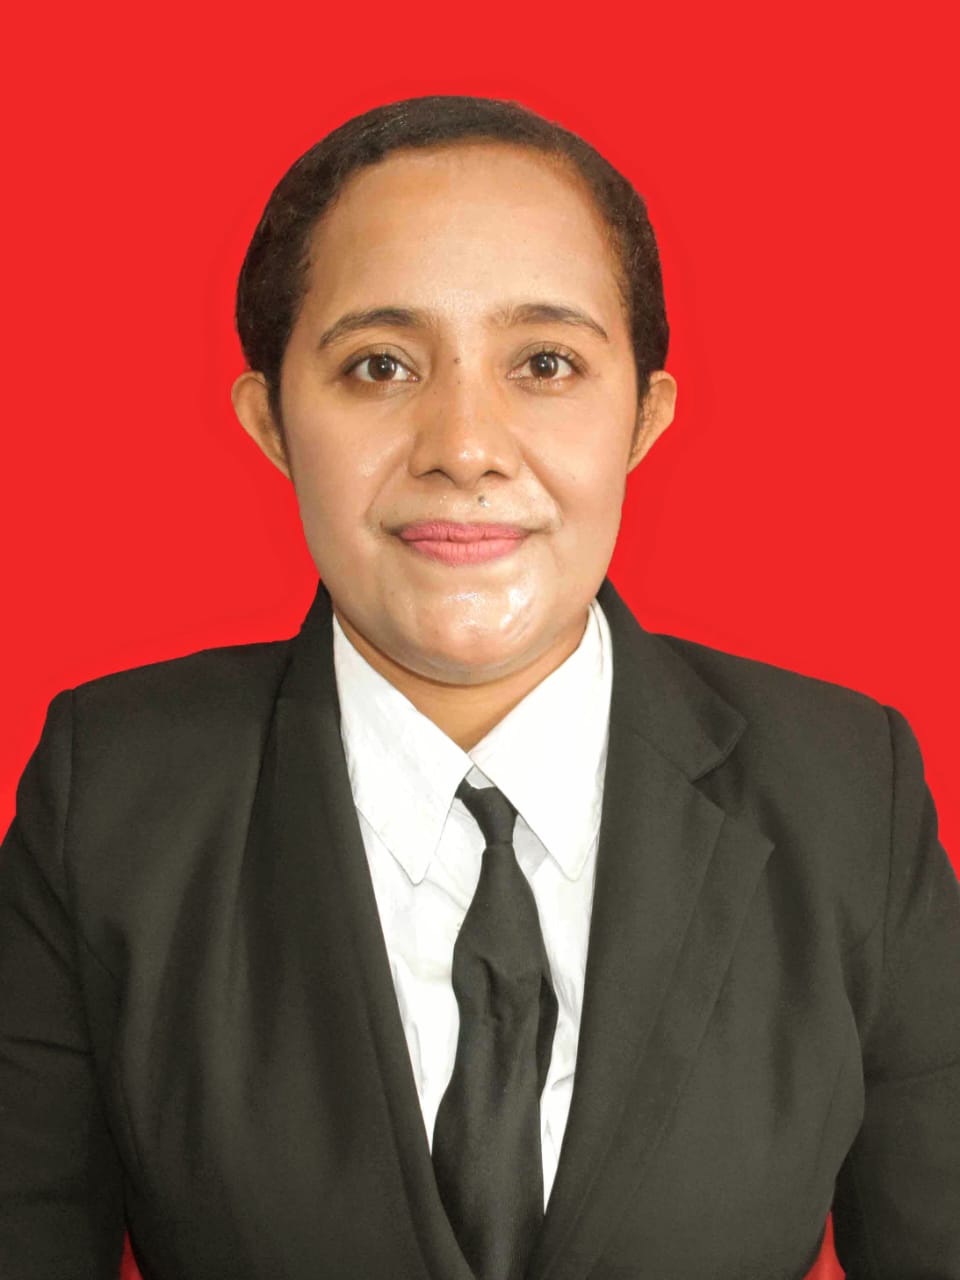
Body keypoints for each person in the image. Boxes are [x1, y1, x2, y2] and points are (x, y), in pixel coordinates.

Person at [1, 94, 958, 1280]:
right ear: (270, 420)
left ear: (644, 414)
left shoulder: (849, 794)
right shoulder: (112, 798)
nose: (463, 445)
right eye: (379, 365)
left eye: (546, 363)